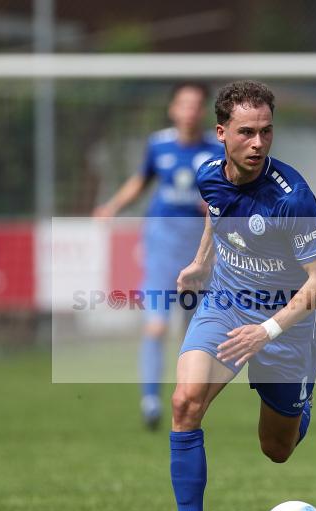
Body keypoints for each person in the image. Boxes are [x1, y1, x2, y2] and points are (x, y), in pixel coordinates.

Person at [158, 80, 316, 511]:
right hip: (225, 306)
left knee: (276, 450)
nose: (258, 143)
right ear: (221, 133)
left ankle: (301, 397)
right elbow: (219, 216)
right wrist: (200, 264)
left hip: (286, 326)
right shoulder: (208, 174)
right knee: (184, 401)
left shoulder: (293, 197)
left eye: (266, 132)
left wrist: (268, 332)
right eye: (246, 133)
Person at [94, 83, 223, 429]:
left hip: (199, 250)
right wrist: (112, 206)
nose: (190, 111)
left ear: (203, 111)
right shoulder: (158, 144)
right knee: (155, 325)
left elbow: (231, 191)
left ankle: (184, 400)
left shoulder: (217, 149)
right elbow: (141, 180)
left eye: (197, 105)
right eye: (184, 104)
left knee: (190, 332)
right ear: (173, 109)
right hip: (161, 245)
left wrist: (217, 203)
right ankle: (150, 400)